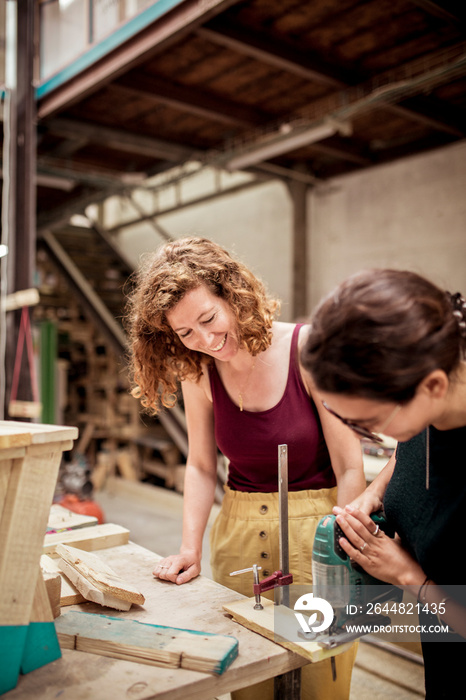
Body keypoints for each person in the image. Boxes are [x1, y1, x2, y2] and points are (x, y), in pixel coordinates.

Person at [125, 236, 365, 700]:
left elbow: (350, 464)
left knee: (321, 681)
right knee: (247, 681)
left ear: (233, 295)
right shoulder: (197, 369)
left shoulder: (306, 348)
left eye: (209, 319)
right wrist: (189, 548)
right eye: (186, 333)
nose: (206, 340)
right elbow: (199, 465)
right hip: (237, 533)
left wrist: (344, 547)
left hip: (318, 530)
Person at [301, 268, 466, 699]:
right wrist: (374, 492)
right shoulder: (429, 407)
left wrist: (407, 575)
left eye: (372, 423)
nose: (367, 434)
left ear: (432, 386)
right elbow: (409, 451)